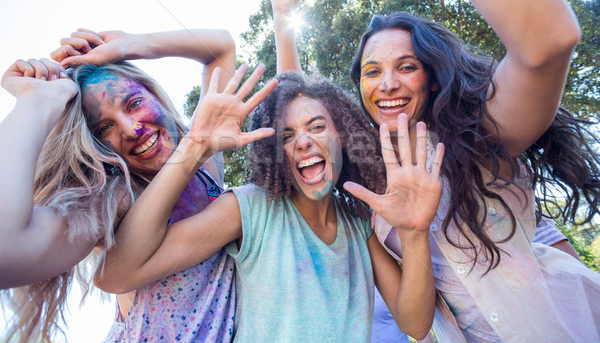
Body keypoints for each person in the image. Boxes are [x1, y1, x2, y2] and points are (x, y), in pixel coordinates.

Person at [274, 0, 600, 340]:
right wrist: (283, 20)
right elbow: (299, 111)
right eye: (372, 71)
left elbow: (548, 42)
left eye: (406, 67)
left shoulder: (481, 133)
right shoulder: (369, 176)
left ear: (431, 77)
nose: (387, 83)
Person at [93, 70, 445, 341]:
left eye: (317, 127)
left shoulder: (357, 222)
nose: (304, 142)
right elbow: (117, 274)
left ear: (341, 135)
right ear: (275, 153)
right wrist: (195, 146)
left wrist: (414, 233)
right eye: (287, 136)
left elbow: (414, 322)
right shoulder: (250, 208)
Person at [0, 28, 241, 342]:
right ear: (93, 145)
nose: (132, 128)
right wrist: (36, 102)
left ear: (155, 93)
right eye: (104, 127)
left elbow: (220, 48)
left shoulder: (203, 163)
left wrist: (132, 45)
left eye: (134, 103)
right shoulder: (113, 198)